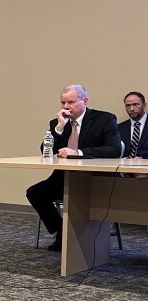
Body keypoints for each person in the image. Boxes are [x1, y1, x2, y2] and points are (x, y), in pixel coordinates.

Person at [26, 85, 121, 251]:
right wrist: (58, 129)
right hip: (64, 178)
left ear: (84, 101)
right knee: (34, 193)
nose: (65, 107)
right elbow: (45, 151)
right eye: (63, 102)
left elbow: (114, 149)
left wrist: (78, 152)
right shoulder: (58, 122)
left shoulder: (104, 119)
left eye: (70, 102)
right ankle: (63, 230)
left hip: (96, 179)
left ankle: (73, 237)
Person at [119, 91, 148, 158]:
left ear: (144, 105)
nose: (131, 109)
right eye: (128, 105)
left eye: (135, 104)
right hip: (124, 166)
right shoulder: (119, 128)